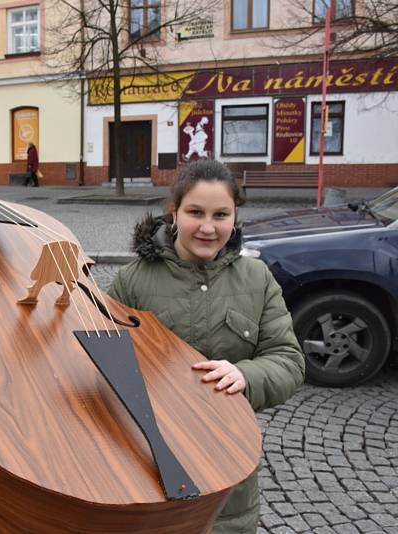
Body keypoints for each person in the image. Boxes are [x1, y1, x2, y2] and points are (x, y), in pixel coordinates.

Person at [107, 159, 305, 534]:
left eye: (221, 214)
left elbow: (289, 360)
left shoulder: (257, 278)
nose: (208, 227)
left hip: (228, 461)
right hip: (149, 458)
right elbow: (102, 362)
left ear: (234, 216)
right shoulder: (132, 281)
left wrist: (244, 375)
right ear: (174, 212)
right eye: (195, 212)